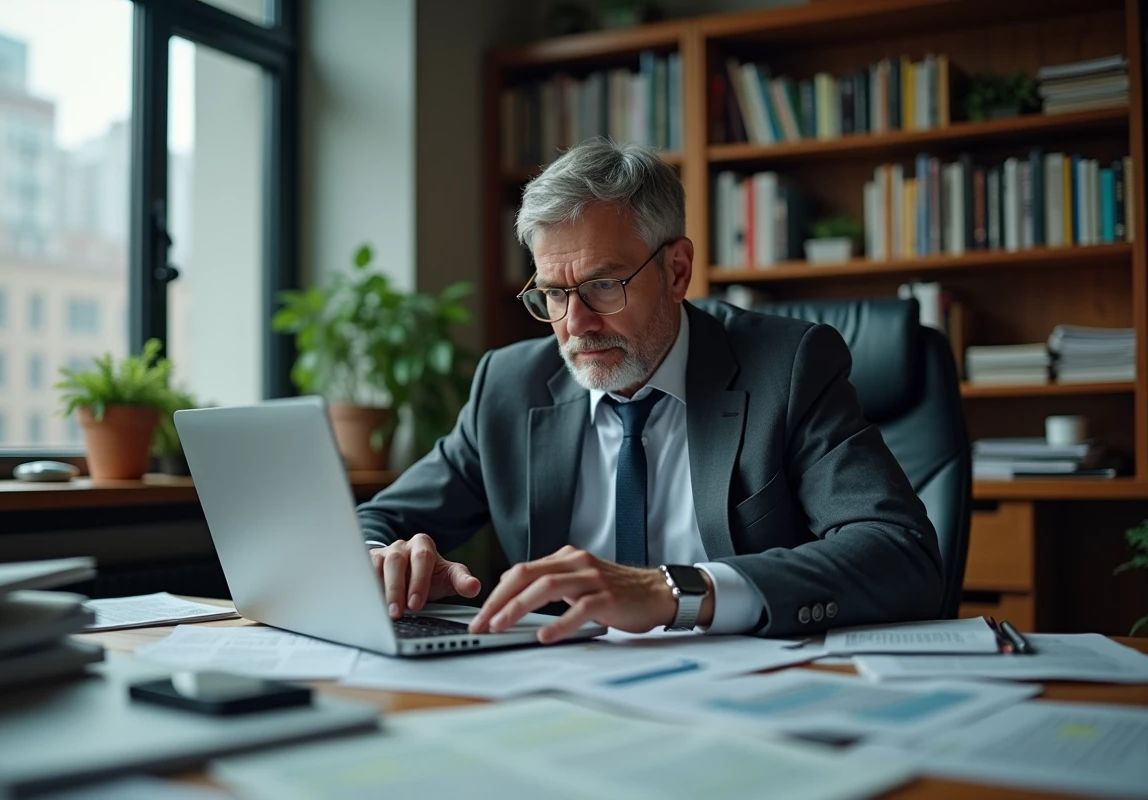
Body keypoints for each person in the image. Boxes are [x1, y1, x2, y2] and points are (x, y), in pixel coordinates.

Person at [358, 138, 942, 642]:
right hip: (561, 699)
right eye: (554, 294)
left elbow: (899, 552)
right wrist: (385, 560)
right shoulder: (509, 388)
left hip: (747, 696)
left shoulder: (787, 367)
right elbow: (374, 522)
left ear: (677, 271)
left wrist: (674, 592)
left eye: (603, 285)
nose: (575, 324)